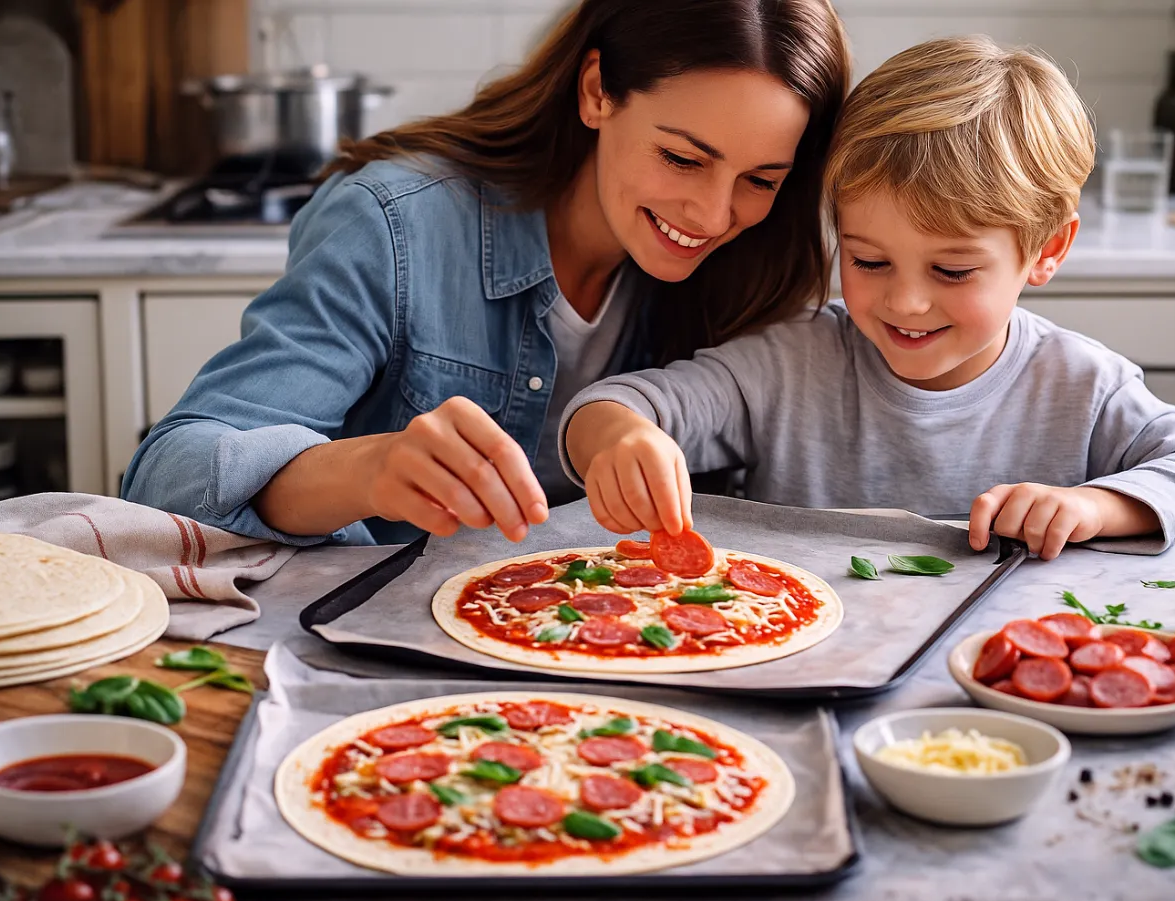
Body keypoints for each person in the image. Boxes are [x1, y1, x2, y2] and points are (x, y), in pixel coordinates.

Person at [122, 0, 849, 546]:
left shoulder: (758, 264)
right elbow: (169, 477)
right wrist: (372, 469)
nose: (715, 215)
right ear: (597, 90)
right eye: (683, 159)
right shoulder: (394, 223)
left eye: (760, 179)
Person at [561, 36, 1175, 560]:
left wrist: (1097, 507)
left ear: (1046, 250)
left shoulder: (1082, 385)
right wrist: (618, 435)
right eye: (869, 260)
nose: (905, 302)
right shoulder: (793, 364)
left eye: (953, 271)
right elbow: (612, 404)